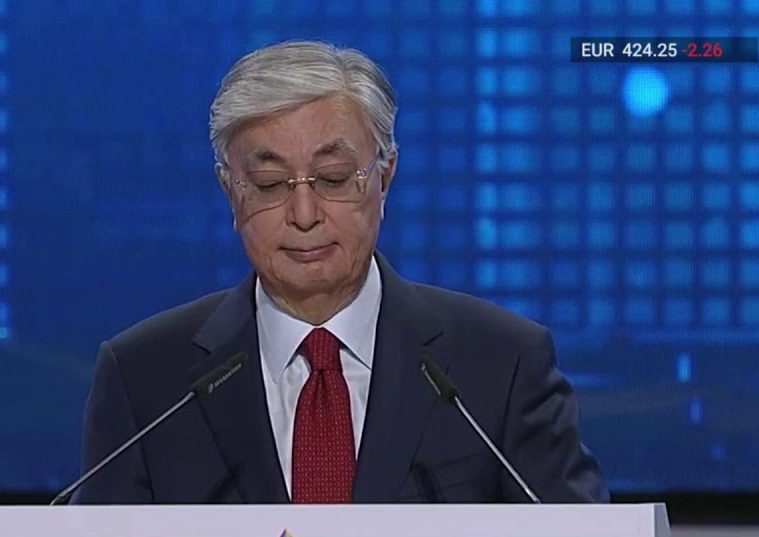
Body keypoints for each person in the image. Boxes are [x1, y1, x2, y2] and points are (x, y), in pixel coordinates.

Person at [74, 40, 607, 509]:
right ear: (230, 191)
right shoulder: (144, 379)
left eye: (332, 178)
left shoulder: (501, 363)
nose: (304, 214)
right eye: (269, 183)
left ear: (384, 177)